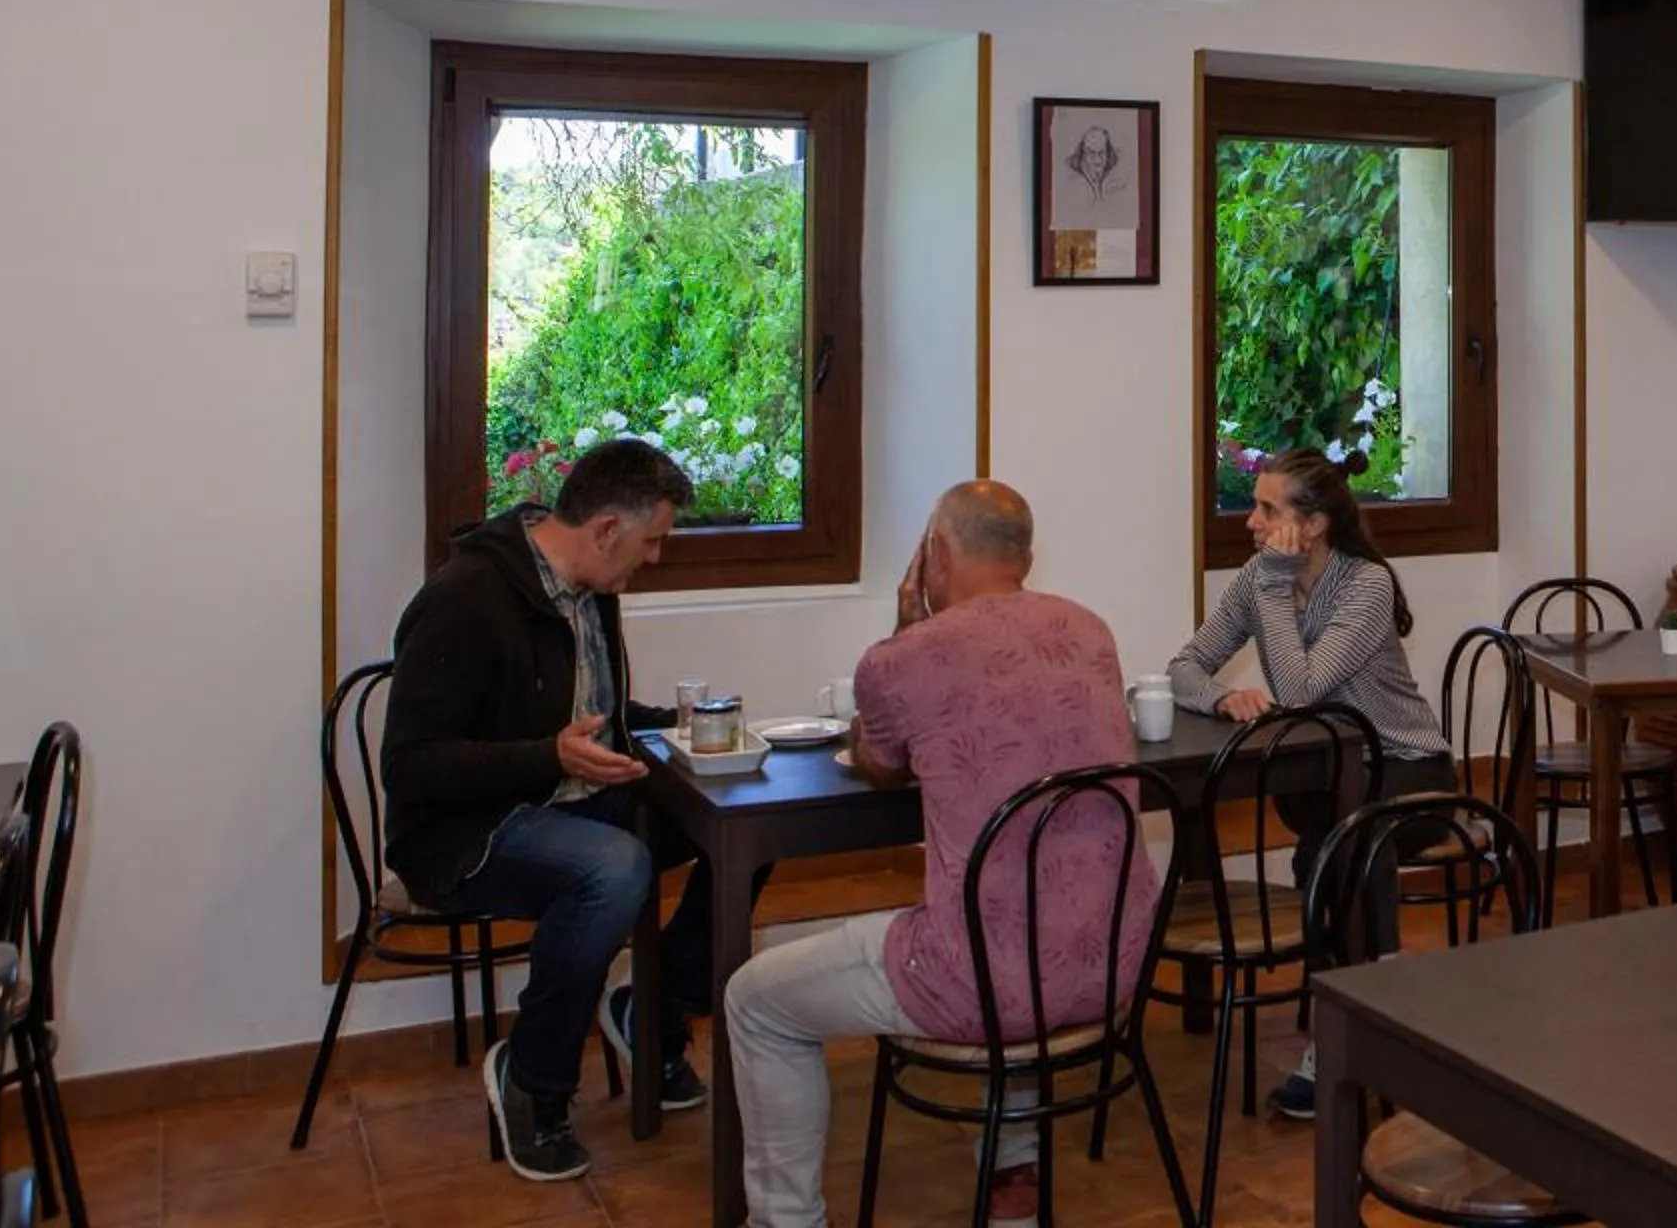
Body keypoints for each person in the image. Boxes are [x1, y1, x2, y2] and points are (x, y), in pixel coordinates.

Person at [725, 481, 1153, 1228]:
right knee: (1013, 914)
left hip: (984, 980)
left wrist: (899, 631)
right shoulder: (1090, 630)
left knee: (755, 1001)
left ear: (937, 553)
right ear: (1025, 554)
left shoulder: (903, 658)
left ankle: (786, 1221)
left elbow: (879, 760)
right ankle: (1014, 1179)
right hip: (1114, 960)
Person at [380, 438, 734, 1183]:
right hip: (462, 835)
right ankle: (534, 1078)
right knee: (613, 868)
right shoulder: (465, 599)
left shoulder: (592, 591)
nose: (656, 558)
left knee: (736, 827)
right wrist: (549, 757)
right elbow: (410, 765)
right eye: (652, 541)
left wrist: (688, 728)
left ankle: (653, 1015)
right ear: (606, 529)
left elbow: (590, 718)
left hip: (569, 801)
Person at [1166, 446, 1455, 1119]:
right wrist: (1217, 698)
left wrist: (1273, 584)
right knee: (1334, 841)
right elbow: (1185, 664)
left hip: (1408, 769)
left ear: (1315, 524)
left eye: (1268, 509)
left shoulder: (1364, 586)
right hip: (1325, 776)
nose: (1252, 523)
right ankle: (1369, 1014)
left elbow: (1299, 691)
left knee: (1347, 845)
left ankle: (1354, 1025)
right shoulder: (1257, 577)